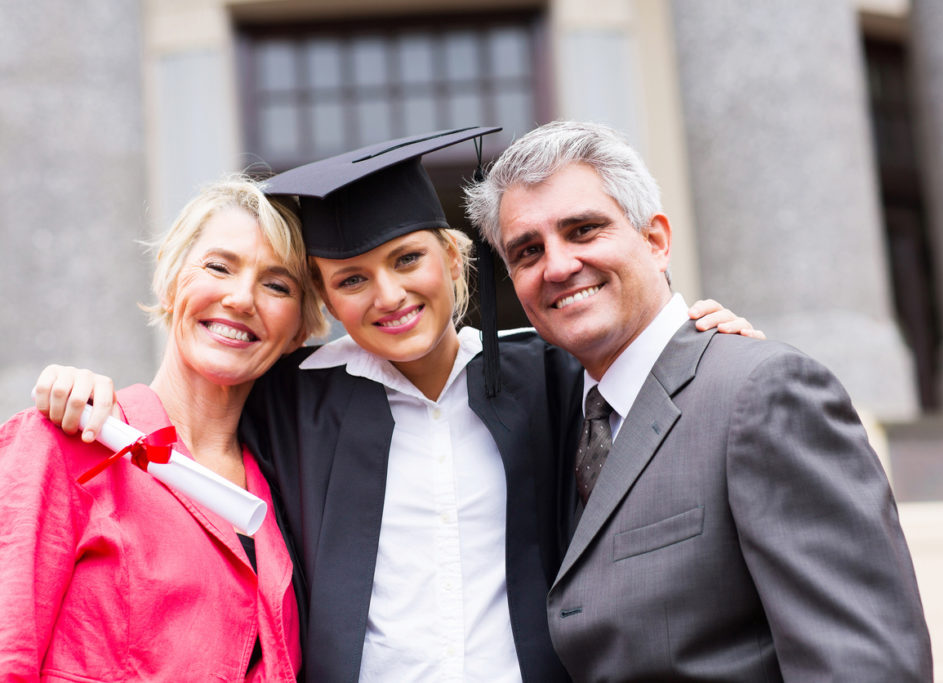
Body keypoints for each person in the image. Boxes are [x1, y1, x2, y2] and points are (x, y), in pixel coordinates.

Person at [31, 128, 761, 682]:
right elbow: (197, 388)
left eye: (408, 260)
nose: (388, 296)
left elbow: (649, 386)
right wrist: (81, 384)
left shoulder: (552, 378)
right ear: (327, 302)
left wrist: (697, 341)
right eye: (350, 279)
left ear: (451, 258)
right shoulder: (294, 403)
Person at [463, 119, 933, 681]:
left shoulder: (760, 392)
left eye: (584, 230)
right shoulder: (557, 417)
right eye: (527, 251)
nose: (558, 266)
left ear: (656, 240)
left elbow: (860, 663)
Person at [0, 177, 328, 680]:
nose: (242, 298)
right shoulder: (69, 442)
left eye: (276, 285)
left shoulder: (287, 493)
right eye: (219, 266)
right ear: (173, 281)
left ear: (298, 330)